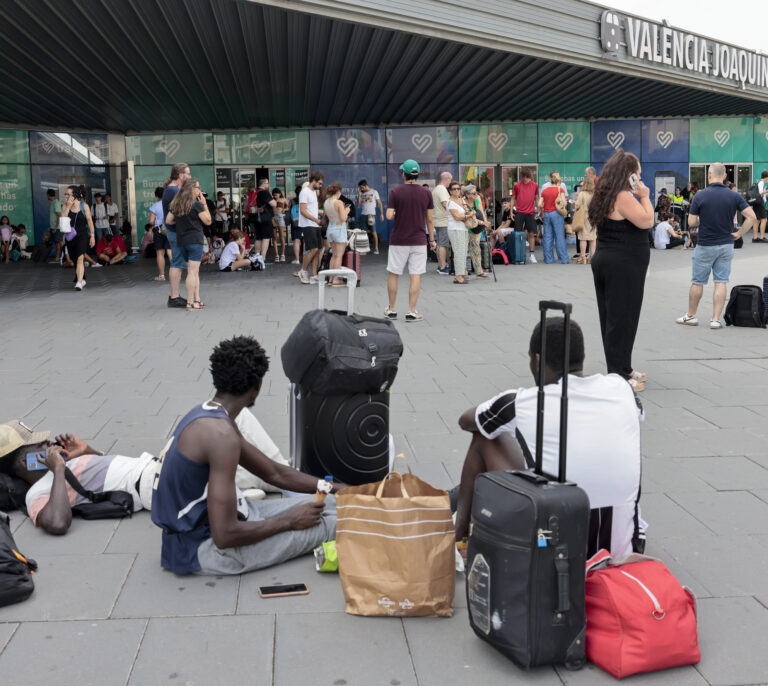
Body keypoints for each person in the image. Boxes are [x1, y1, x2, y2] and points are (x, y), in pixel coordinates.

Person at [451, 317, 645, 559]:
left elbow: (466, 421)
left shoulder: (520, 402)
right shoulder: (622, 388)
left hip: (553, 556)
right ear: (581, 357)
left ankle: (459, 536)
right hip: (623, 552)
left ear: (537, 360)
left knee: (485, 437)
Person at [151, 336, 339, 575]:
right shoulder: (221, 436)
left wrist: (338, 489)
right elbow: (225, 535)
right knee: (333, 523)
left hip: (233, 519)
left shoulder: (211, 415)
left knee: (336, 503)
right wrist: (290, 520)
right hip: (204, 549)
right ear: (257, 386)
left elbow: (274, 472)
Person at [588, 150, 654, 391]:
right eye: (638, 173)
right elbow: (647, 221)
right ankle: (618, 374)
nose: (641, 177)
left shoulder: (606, 193)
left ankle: (623, 367)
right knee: (622, 319)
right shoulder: (623, 196)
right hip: (622, 264)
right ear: (629, 175)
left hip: (610, 261)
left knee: (616, 317)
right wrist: (645, 196)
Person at [676, 163, 756, 330]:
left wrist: (700, 220)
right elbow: (752, 217)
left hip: (705, 245)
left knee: (697, 282)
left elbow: (691, 222)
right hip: (726, 245)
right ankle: (715, 319)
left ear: (709, 175)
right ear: (725, 176)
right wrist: (740, 233)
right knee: (721, 281)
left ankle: (691, 316)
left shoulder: (700, 195)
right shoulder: (733, 195)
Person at [384, 160, 436, 321]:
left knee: (394, 273)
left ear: (403, 174)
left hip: (399, 239)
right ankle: (411, 311)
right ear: (417, 174)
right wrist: (432, 240)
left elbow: (388, 215)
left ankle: (392, 309)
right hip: (419, 239)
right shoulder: (426, 193)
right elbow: (430, 219)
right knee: (416, 275)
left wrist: (396, 213)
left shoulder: (395, 191)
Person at [166, 177, 211, 310]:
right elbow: (208, 221)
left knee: (194, 271)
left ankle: (197, 299)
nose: (200, 190)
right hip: (194, 240)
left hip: (182, 241)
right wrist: (204, 204)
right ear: (192, 189)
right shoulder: (196, 204)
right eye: (198, 187)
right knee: (192, 272)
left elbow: (168, 221)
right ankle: (190, 302)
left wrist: (181, 224)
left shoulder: (177, 203)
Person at [162, 162, 192, 308]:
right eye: (188, 173)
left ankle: (175, 296)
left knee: (178, 262)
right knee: (177, 263)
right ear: (181, 175)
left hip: (175, 231)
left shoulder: (172, 190)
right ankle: (174, 297)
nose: (189, 176)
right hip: (175, 232)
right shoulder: (173, 191)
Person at [62, 185, 96, 291]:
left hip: (82, 235)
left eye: (68, 194)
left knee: (80, 258)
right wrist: (68, 207)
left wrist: (92, 236)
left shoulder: (84, 206)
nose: (66, 196)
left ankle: (79, 283)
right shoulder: (64, 206)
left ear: (75, 194)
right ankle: (81, 278)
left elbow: (90, 221)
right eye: (66, 194)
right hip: (70, 237)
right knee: (75, 259)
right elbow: (63, 221)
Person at [297, 172, 324, 284]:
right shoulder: (304, 192)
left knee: (317, 250)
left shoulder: (313, 192)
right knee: (313, 249)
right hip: (308, 224)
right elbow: (303, 211)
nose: (321, 186)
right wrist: (317, 220)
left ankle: (314, 275)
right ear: (314, 180)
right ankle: (303, 271)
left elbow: (311, 209)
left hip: (315, 224)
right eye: (320, 183)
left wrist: (322, 214)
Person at [538, 172, 569, 264]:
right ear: (558, 181)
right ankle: (563, 259)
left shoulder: (545, 191)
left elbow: (539, 204)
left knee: (547, 237)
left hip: (547, 214)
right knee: (559, 236)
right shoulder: (560, 190)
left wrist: (546, 205)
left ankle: (548, 259)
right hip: (557, 214)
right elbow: (564, 203)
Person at [323, 182, 350, 286]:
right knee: (339, 255)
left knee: (333, 255)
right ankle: (336, 279)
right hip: (339, 228)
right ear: (338, 191)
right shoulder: (338, 202)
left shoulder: (326, 202)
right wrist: (346, 210)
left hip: (330, 228)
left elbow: (325, 218)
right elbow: (343, 218)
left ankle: (330, 279)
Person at [444, 181, 471, 285]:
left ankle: (462, 274)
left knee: (463, 252)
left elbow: (466, 211)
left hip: (463, 228)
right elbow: (457, 217)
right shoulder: (450, 202)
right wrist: (469, 215)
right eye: (454, 189)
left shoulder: (461, 200)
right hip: (455, 229)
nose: (456, 190)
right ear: (450, 191)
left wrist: (469, 212)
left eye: (458, 188)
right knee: (459, 252)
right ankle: (458, 276)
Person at [511, 169, 539, 263]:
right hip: (519, 212)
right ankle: (519, 255)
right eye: (524, 177)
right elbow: (513, 199)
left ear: (530, 177)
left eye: (527, 177)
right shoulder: (517, 185)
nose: (526, 179)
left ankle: (532, 255)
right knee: (518, 234)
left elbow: (536, 199)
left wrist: (538, 211)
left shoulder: (535, 185)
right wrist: (511, 212)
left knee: (531, 234)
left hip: (530, 213)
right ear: (522, 176)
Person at [462, 184, 489, 279]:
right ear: (467, 195)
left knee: (476, 249)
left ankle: (479, 271)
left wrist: (485, 222)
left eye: (476, 192)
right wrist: (482, 222)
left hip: (476, 228)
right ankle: (463, 272)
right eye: (474, 193)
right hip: (465, 229)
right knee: (464, 251)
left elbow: (481, 212)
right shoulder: (463, 202)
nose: (476, 195)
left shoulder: (477, 199)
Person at [148, 186, 172, 281]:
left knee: (160, 253)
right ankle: (175, 273)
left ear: (157, 196)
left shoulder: (155, 206)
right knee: (170, 251)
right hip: (170, 228)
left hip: (159, 230)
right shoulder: (170, 204)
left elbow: (151, 221)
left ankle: (161, 276)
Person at [430, 172, 452, 273]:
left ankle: (440, 265)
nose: (450, 183)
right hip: (443, 221)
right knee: (443, 245)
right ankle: (443, 267)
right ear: (446, 179)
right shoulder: (442, 189)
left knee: (439, 244)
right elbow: (445, 203)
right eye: (450, 180)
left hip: (437, 220)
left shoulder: (435, 189)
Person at [358, 179, 385, 256]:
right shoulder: (362, 193)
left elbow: (380, 203)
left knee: (373, 231)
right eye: (360, 188)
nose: (361, 189)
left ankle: (376, 248)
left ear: (365, 185)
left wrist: (382, 214)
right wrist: (359, 195)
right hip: (363, 214)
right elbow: (359, 204)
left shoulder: (374, 192)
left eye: (362, 187)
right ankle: (364, 248)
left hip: (371, 215)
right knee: (363, 232)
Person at [574, 175, 596, 264]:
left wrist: (576, 200)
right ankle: (592, 257)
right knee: (592, 238)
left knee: (583, 238)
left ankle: (582, 257)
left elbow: (577, 205)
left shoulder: (582, 194)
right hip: (594, 217)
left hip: (584, 217)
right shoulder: (595, 193)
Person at [48, 189, 64, 263]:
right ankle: (57, 258)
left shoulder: (56, 203)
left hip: (57, 227)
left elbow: (59, 215)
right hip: (54, 227)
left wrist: (56, 227)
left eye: (47, 195)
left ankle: (69, 257)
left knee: (61, 243)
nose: (46, 196)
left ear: (48, 195)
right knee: (57, 243)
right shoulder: (53, 202)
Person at [271, 188, 287, 262]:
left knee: (281, 237)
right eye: (274, 195)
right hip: (273, 217)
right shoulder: (272, 200)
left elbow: (289, 206)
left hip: (280, 216)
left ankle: (283, 254)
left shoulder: (283, 199)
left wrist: (285, 209)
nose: (275, 196)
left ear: (279, 194)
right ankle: (276, 254)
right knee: (274, 237)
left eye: (276, 195)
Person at [289, 185, 303, 266]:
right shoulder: (305, 201)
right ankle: (305, 258)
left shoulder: (292, 201)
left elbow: (288, 212)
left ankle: (297, 259)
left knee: (296, 241)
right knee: (304, 241)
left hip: (295, 223)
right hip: (304, 223)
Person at [754, 170, 768, 243]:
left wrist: (766, 194)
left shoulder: (759, 182)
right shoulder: (761, 183)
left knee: (757, 220)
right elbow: (760, 194)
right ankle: (762, 237)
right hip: (760, 204)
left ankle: (755, 237)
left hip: (757, 203)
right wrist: (766, 191)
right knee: (764, 220)